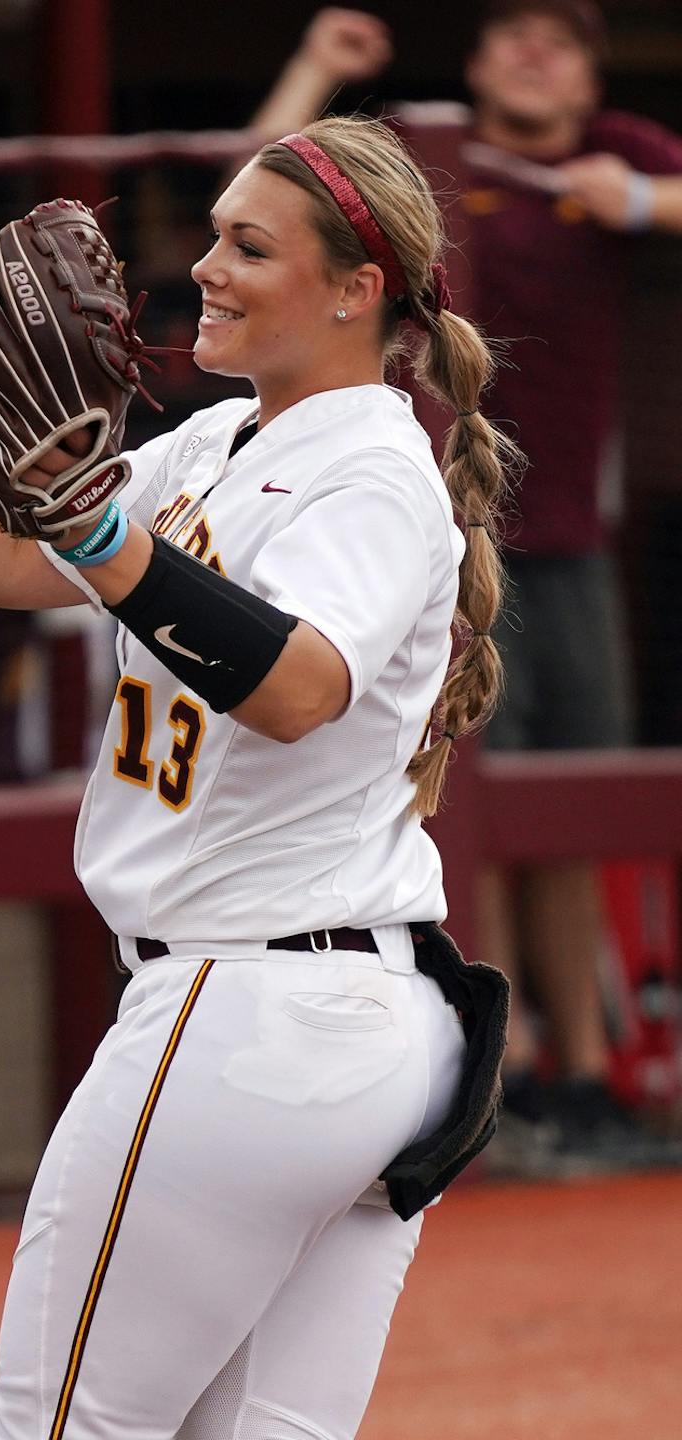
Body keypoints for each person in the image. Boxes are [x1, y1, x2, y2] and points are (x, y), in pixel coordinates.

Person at [0, 114, 504, 1438]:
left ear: (356, 288)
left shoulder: (373, 469)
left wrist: (110, 540)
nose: (204, 266)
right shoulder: (215, 444)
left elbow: (296, 688)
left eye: (248, 246)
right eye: (214, 235)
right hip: (329, 1019)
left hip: (246, 1012)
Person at [254, 0, 682, 1168]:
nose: (534, 53)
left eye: (563, 39)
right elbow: (259, 189)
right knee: (430, 810)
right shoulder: (423, 165)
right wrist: (319, 64)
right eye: (513, 34)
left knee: (567, 811)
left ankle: (579, 1079)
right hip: (414, 537)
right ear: (478, 60)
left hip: (564, 546)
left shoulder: (623, 156)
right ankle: (461, 1090)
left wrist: (633, 201)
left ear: (592, 75)